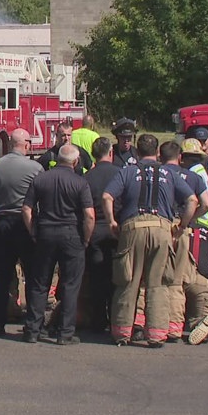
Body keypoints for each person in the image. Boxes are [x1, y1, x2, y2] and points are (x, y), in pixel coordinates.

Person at [103, 134, 198, 347]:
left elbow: (107, 196)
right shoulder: (170, 174)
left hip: (132, 227)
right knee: (158, 283)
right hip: (162, 228)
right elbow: (192, 200)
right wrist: (182, 225)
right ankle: (156, 334)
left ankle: (122, 332)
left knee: (128, 279)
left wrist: (111, 222)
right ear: (157, 153)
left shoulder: (127, 171)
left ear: (136, 152)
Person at [21, 145, 95, 345]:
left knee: (39, 283)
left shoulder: (41, 178)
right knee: (71, 284)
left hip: (45, 232)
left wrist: (33, 231)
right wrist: (86, 238)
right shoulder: (80, 182)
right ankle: (65, 333)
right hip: (72, 235)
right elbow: (89, 215)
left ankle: (33, 330)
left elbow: (27, 209)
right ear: (76, 162)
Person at [0, 128, 44, 335]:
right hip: (25, 223)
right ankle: (33, 323)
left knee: (2, 275)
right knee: (32, 274)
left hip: (2, 221)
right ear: (26, 144)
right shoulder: (35, 167)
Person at [164, 141, 208, 344]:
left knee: (157, 281)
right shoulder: (195, 178)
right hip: (184, 230)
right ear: (180, 157)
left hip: (162, 226)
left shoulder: (159, 173)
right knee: (178, 281)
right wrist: (189, 220)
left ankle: (157, 325)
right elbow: (207, 204)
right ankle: (179, 327)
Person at [83, 136, 122, 333]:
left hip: (94, 231)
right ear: (111, 153)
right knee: (118, 278)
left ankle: (98, 320)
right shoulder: (121, 174)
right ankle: (117, 319)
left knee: (97, 278)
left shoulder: (87, 178)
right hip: (116, 230)